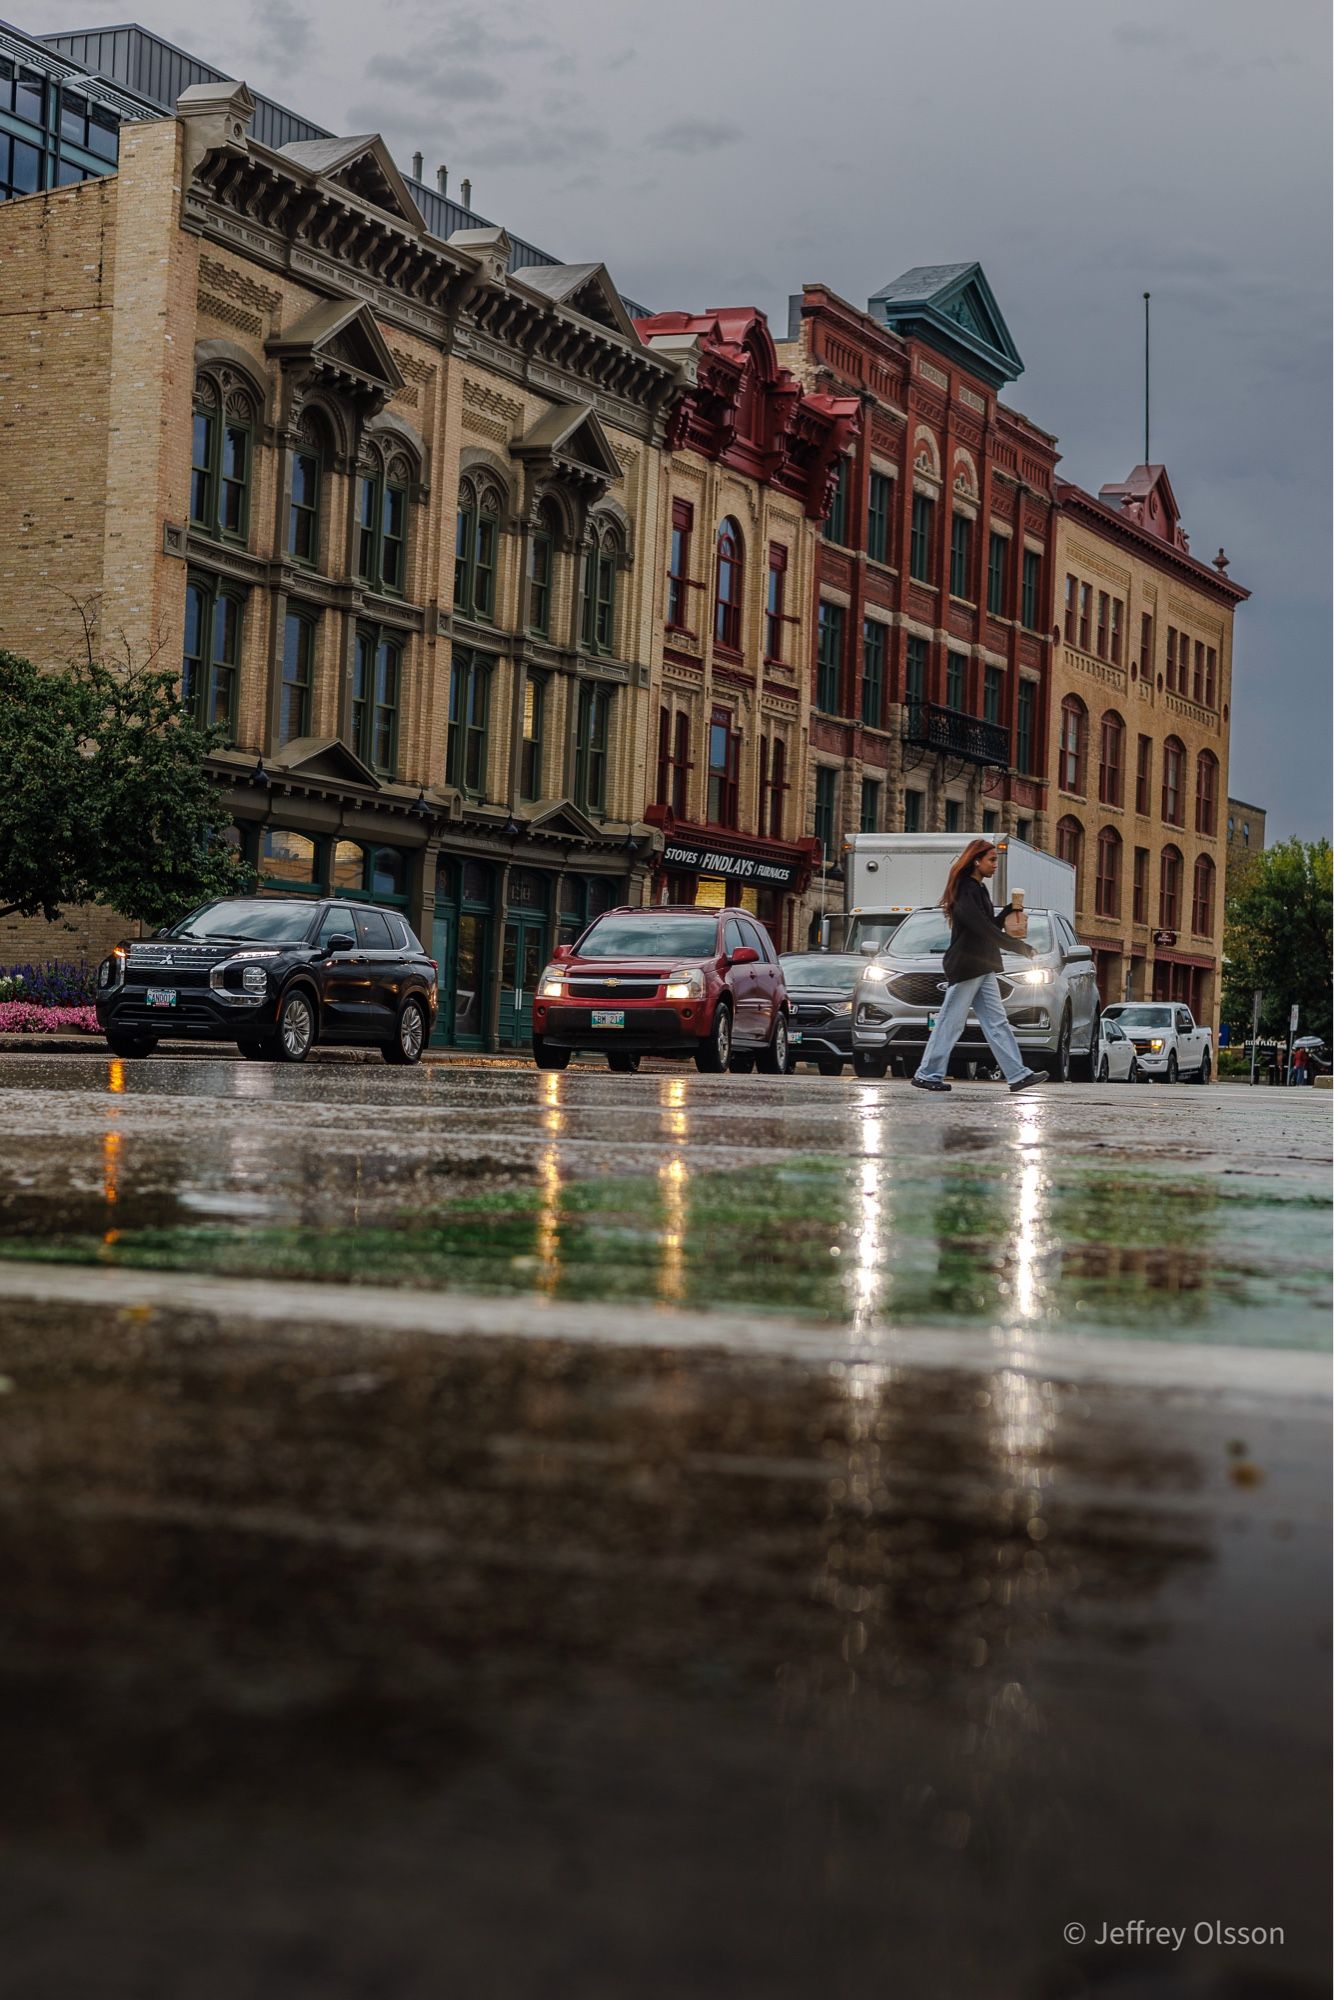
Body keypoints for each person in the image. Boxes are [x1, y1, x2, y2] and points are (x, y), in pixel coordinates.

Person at [911, 839, 1044, 1095]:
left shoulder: (979, 889)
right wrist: (1020, 948)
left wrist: (1007, 913)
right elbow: (979, 928)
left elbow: (988, 926)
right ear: (976, 861)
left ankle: (1018, 1075)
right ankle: (927, 1073)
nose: (995, 865)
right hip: (967, 964)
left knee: (997, 1022)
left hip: (983, 965)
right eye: (991, 860)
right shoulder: (964, 889)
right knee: (951, 1022)